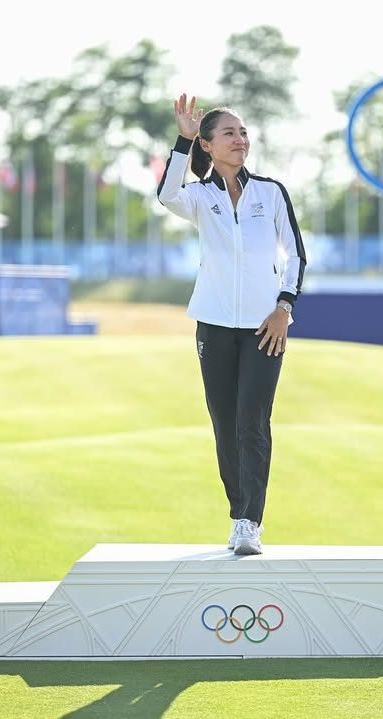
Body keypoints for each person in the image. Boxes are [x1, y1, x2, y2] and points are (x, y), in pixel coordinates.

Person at [156, 93, 306, 555]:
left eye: (243, 132)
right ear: (207, 145)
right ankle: (236, 509)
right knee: (225, 423)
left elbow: (295, 254)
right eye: (229, 133)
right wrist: (181, 141)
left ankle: (249, 523)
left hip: (266, 328)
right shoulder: (199, 196)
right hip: (215, 326)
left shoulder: (271, 192)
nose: (240, 139)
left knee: (253, 423)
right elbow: (166, 194)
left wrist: (284, 307)